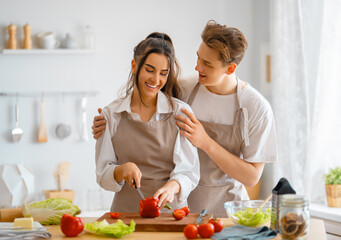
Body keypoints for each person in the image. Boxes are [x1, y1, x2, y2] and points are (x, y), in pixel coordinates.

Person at [93, 21, 278, 217]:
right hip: (181, 208)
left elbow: (251, 178)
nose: (197, 67)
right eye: (198, 57)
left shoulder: (257, 108)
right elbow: (146, 98)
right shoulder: (184, 88)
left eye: (207, 64)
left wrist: (205, 142)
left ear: (230, 69)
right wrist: (104, 123)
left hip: (227, 207)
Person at [95, 32, 200, 213]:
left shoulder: (180, 113)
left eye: (163, 73)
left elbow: (189, 172)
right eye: (149, 70)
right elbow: (102, 175)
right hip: (125, 213)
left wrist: (173, 186)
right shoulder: (111, 114)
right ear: (134, 66)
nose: (155, 79)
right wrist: (121, 170)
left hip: (170, 212)